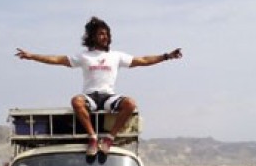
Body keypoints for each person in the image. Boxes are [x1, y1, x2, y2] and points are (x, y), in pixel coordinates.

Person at [16, 16, 182, 156]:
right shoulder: (84, 56)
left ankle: (109, 138)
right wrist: (32, 56)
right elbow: (58, 60)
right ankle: (93, 138)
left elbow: (143, 60)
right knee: (76, 101)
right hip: (90, 96)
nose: (105, 37)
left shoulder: (116, 56)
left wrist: (166, 56)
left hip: (108, 97)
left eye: (106, 34)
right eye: (101, 34)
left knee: (130, 103)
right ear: (93, 37)